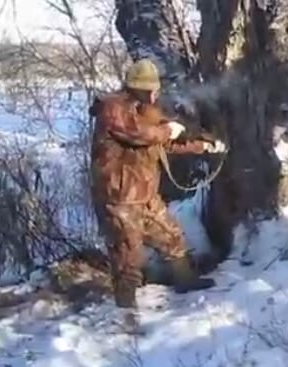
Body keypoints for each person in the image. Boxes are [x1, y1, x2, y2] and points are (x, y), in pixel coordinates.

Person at [88, 58, 226, 332]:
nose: (156, 94)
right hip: (119, 198)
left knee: (171, 237)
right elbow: (139, 134)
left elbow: (165, 145)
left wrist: (203, 145)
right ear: (138, 88)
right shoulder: (113, 108)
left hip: (145, 195)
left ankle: (185, 280)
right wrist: (166, 130)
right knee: (128, 258)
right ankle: (126, 315)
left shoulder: (145, 112)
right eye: (151, 89)